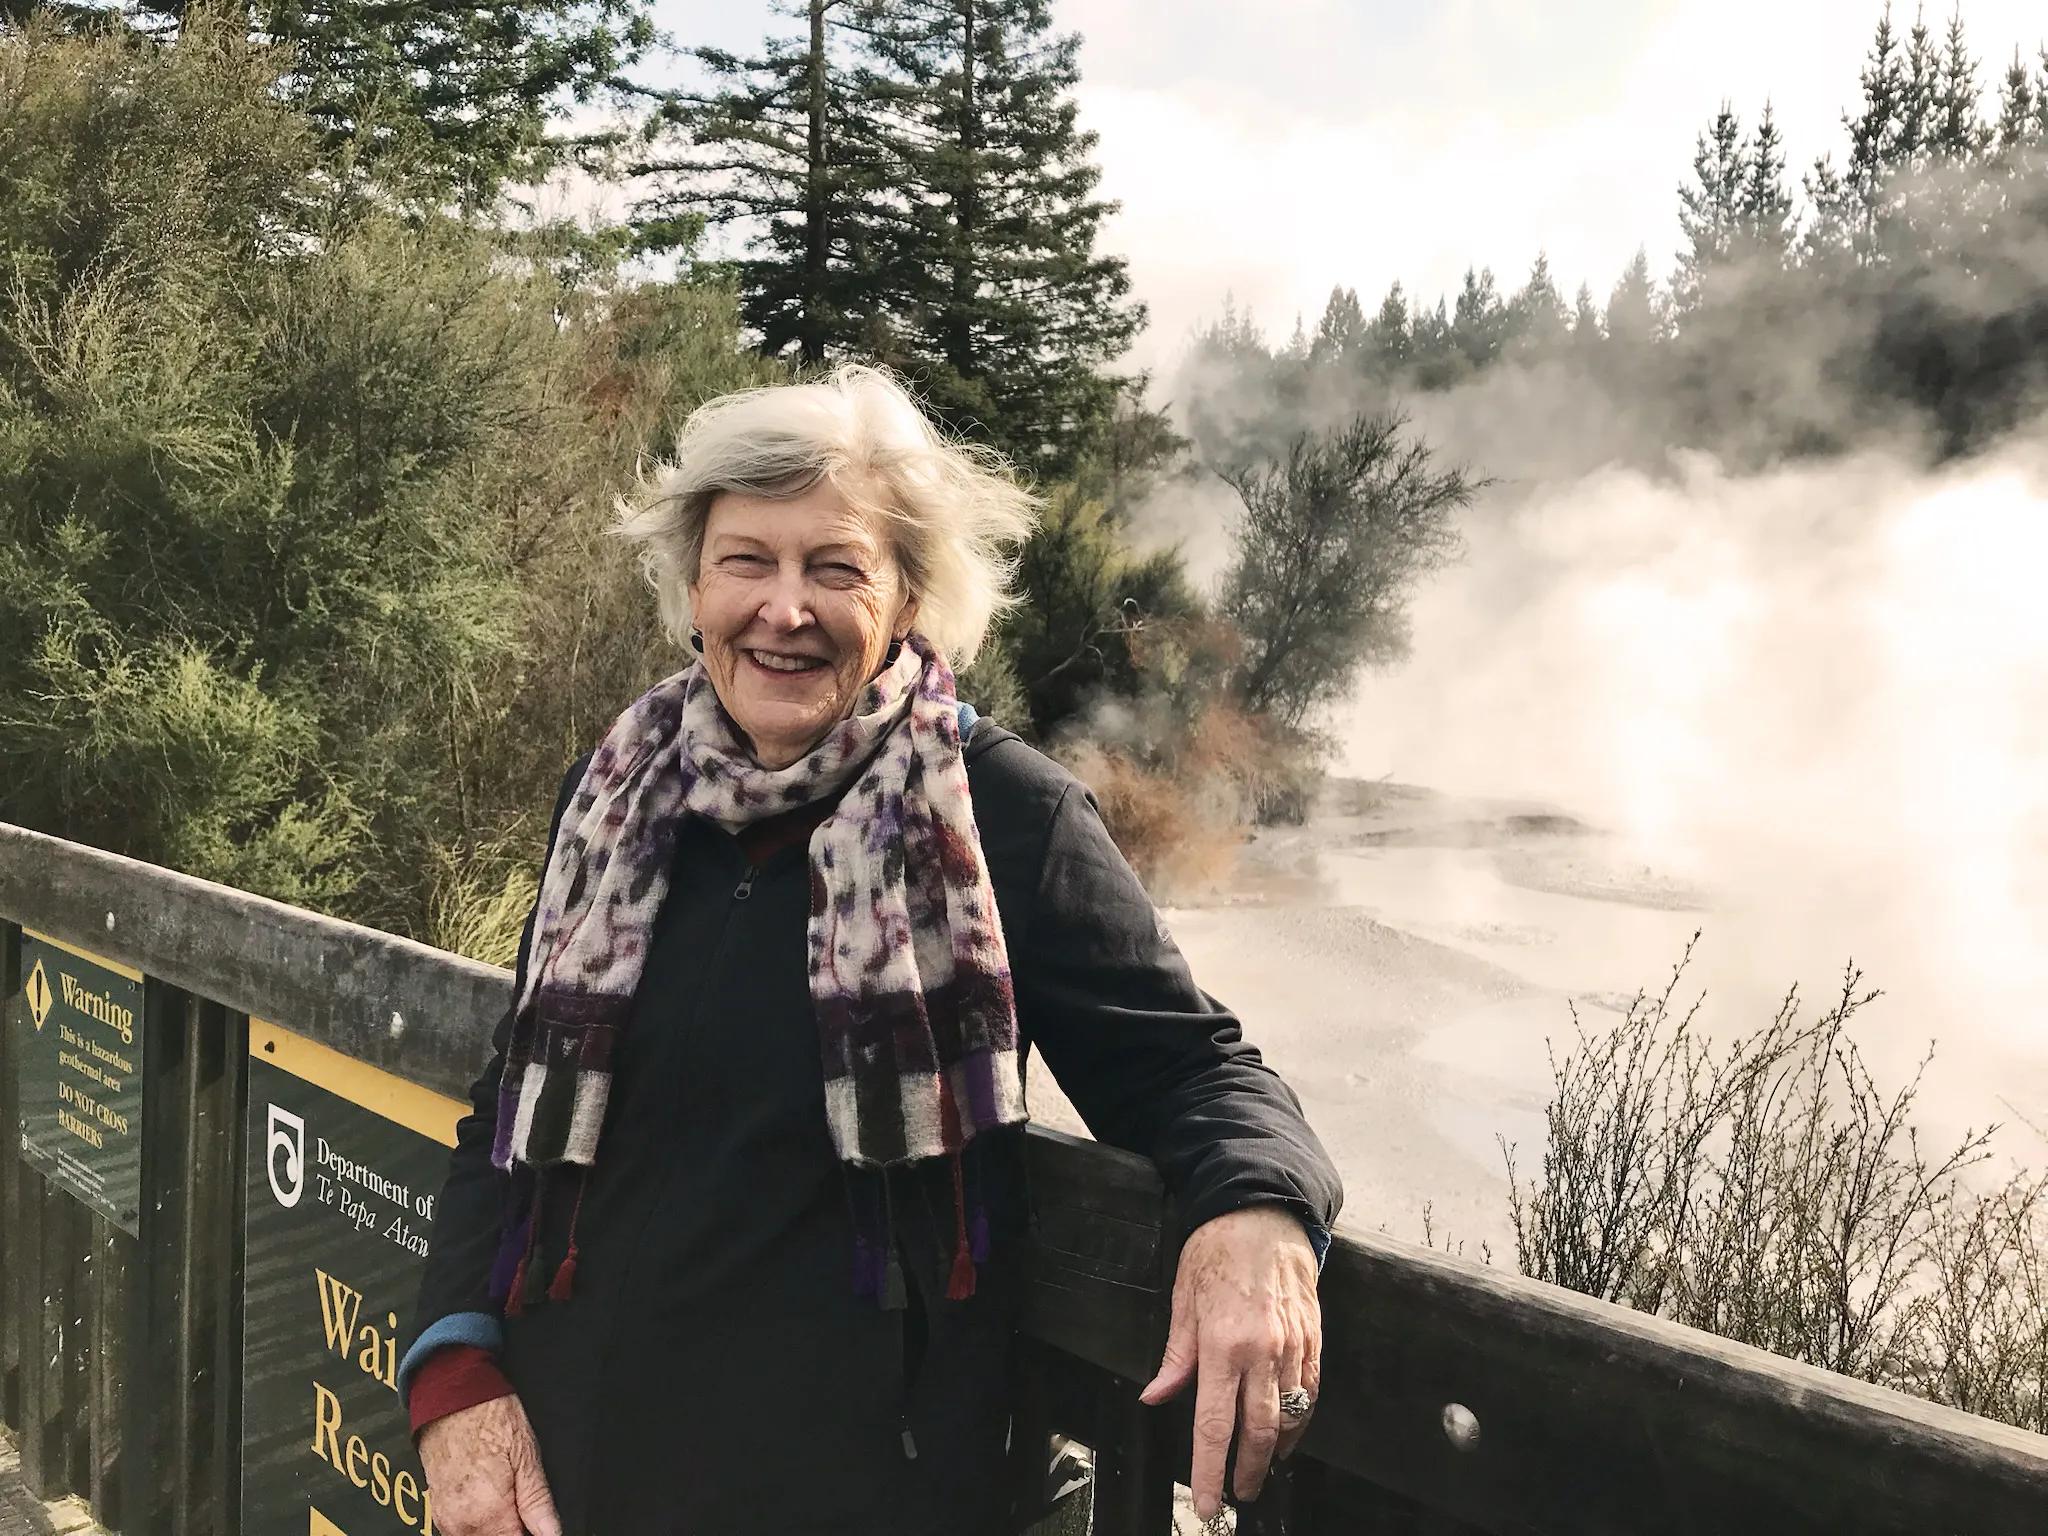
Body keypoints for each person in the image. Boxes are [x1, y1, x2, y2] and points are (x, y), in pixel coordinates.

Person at [401, 364, 1343, 1536]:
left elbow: (1192, 1070)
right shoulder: (615, 799)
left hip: (853, 1496)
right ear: (692, 585)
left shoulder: (1001, 816)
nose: (782, 609)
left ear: (906, 600)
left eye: (834, 566)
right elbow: (509, 1109)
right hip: (562, 1474)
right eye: (746, 558)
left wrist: (1253, 1220)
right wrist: (452, 1380)